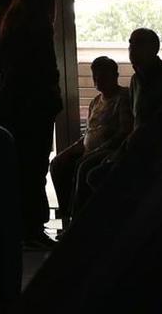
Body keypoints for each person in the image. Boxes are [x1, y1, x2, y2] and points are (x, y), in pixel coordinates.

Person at [0, 0, 64, 249]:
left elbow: (0, 69)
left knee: (17, 171)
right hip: (33, 110)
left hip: (10, 109)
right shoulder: (39, 27)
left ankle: (19, 229)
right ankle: (32, 230)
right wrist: (53, 99)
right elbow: (42, 72)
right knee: (34, 169)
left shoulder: (12, 24)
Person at [50, 56, 133, 228]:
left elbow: (124, 132)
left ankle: (80, 222)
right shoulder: (96, 101)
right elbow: (89, 132)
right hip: (90, 149)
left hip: (110, 150)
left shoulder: (123, 98)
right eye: (95, 76)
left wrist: (97, 150)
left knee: (83, 167)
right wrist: (71, 150)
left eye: (103, 76)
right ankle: (66, 215)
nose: (98, 80)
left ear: (115, 76)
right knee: (58, 164)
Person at [126, 28, 162, 127]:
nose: (132, 47)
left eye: (139, 43)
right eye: (131, 43)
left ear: (154, 48)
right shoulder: (135, 79)